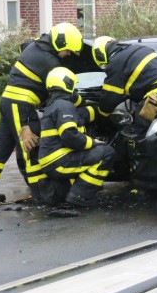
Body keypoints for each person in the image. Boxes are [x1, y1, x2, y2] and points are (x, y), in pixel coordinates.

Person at [0, 23, 84, 205]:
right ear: (59, 43)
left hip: (8, 101)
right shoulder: (49, 62)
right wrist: (83, 103)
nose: (68, 55)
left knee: (0, 148)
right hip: (22, 106)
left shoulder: (34, 45)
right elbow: (63, 89)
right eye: (67, 50)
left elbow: (24, 49)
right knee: (31, 147)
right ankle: (41, 195)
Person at [38, 67, 116, 207]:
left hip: (50, 161)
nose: (75, 90)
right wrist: (93, 142)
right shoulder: (64, 105)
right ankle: (80, 196)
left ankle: (68, 192)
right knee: (107, 153)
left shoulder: (53, 105)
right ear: (67, 84)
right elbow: (69, 135)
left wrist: (94, 110)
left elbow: (79, 116)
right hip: (59, 161)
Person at [92, 36, 157, 134]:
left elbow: (110, 98)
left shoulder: (116, 62)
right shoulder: (138, 49)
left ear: (100, 54)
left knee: (140, 133)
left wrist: (101, 114)